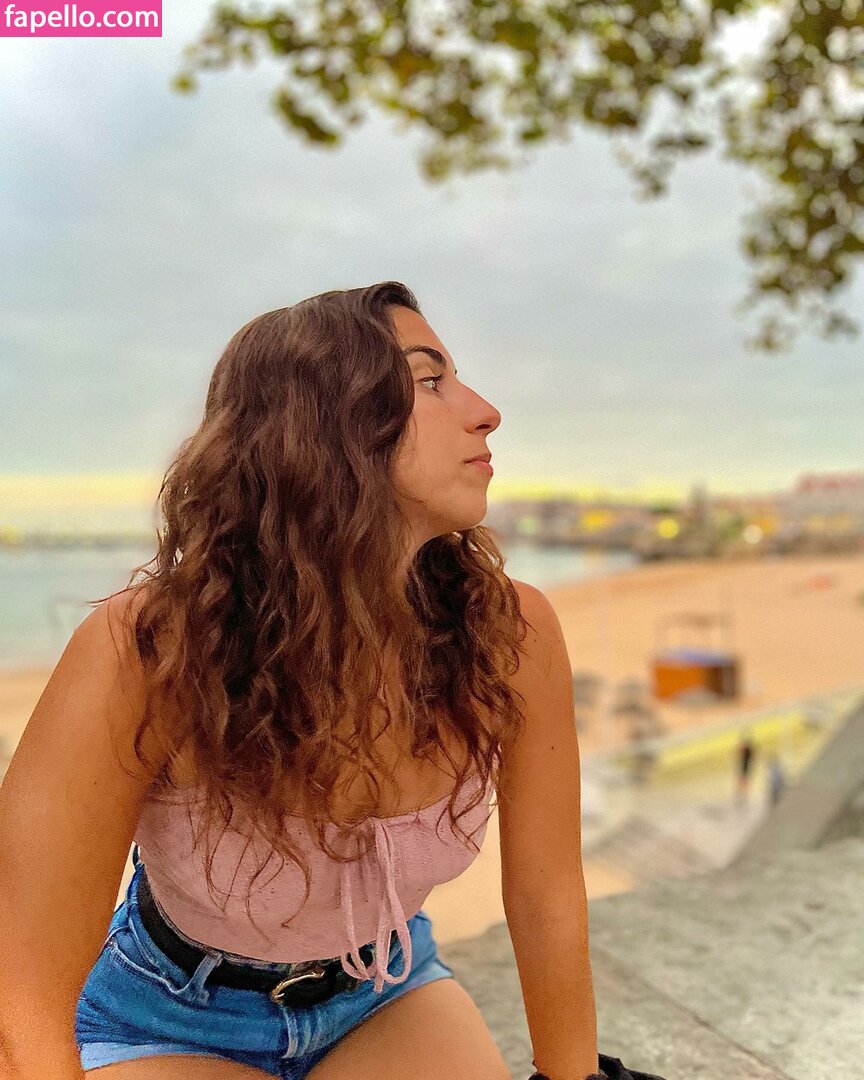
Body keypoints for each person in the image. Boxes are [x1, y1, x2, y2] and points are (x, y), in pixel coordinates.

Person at [0, 282, 604, 1080]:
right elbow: (23, 986)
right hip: (163, 1016)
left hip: (381, 991)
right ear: (323, 427)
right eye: (430, 381)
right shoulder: (148, 650)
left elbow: (547, 894)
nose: (485, 411)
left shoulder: (509, 631)